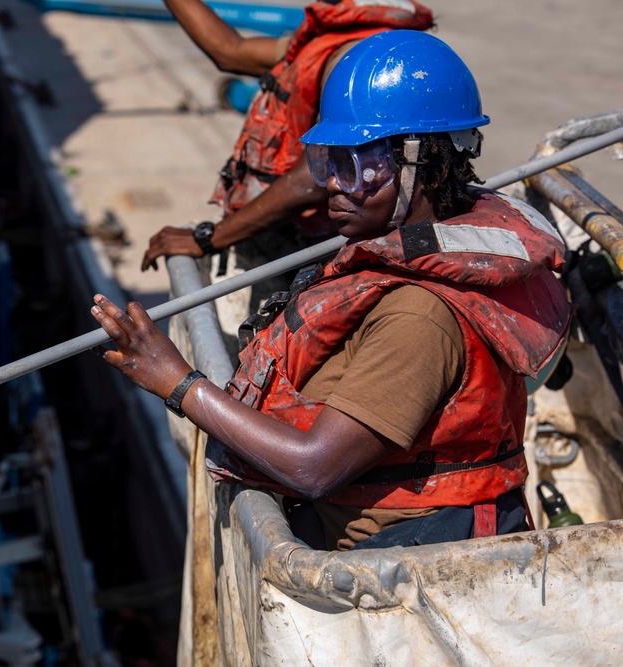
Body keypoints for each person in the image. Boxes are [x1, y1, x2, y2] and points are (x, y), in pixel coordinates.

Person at [91, 30, 571, 550]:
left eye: (359, 166)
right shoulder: (396, 262)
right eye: (328, 163)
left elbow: (313, 467)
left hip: (409, 564)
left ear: (425, 168)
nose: (335, 186)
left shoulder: (419, 315)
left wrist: (178, 382)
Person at [140, 0, 434, 353]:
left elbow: (312, 180)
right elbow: (230, 52)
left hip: (309, 250)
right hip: (289, 240)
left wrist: (209, 239)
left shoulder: (358, 57)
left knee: (273, 356)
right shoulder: (336, 36)